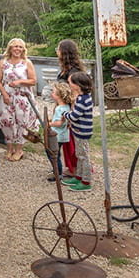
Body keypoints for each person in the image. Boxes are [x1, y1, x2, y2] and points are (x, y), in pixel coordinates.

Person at [0, 38, 39, 162]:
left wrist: (20, 81)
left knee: (21, 122)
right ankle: (9, 148)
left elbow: (33, 81)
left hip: (22, 97)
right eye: (15, 46)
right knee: (6, 122)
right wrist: (4, 94)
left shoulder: (27, 62)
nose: (17, 49)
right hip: (7, 96)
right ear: (10, 48)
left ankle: (19, 149)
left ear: (23, 49)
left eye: (20, 47)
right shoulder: (3, 62)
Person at [54, 39, 82, 179]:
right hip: (63, 108)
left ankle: (76, 170)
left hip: (71, 110)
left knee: (72, 143)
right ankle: (71, 168)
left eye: (58, 49)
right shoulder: (66, 69)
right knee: (66, 141)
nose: (57, 52)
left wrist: (72, 113)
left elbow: (75, 94)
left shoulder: (73, 72)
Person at [64, 71, 93, 192]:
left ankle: (86, 181)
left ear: (77, 85)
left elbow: (74, 116)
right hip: (78, 131)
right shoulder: (83, 97)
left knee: (83, 156)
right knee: (79, 155)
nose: (69, 83)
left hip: (82, 131)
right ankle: (79, 177)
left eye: (71, 82)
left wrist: (65, 114)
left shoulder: (82, 100)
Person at [46, 82, 74, 183]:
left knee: (52, 153)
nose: (51, 94)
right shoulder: (66, 106)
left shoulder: (59, 109)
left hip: (57, 135)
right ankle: (57, 170)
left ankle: (58, 173)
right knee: (56, 153)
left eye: (53, 92)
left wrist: (49, 124)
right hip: (62, 135)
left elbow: (59, 123)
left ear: (59, 96)